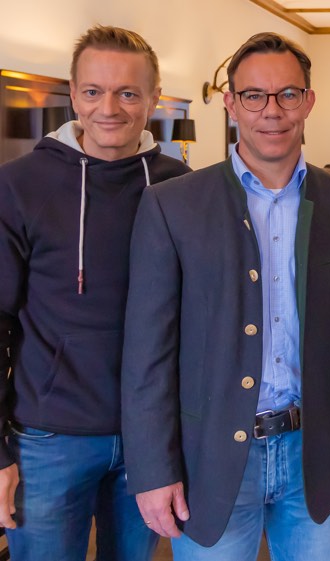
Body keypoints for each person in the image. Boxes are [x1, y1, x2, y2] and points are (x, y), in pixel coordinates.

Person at [120, 32, 330, 560]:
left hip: (315, 456)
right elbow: (148, 354)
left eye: (288, 94)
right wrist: (152, 470)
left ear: (308, 101)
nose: (272, 111)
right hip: (210, 460)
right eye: (255, 96)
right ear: (231, 104)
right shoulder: (172, 205)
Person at [0, 25, 190, 561]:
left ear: (153, 97)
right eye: (93, 91)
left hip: (151, 439)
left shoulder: (181, 184)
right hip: (47, 439)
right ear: (73, 93)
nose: (108, 108)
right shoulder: (19, 184)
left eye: (127, 93)